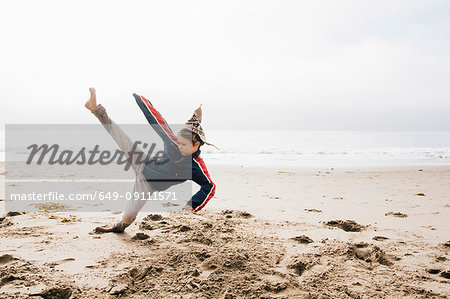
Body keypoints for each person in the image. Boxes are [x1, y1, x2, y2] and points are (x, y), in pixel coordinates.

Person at [84, 88, 216, 233]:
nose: (179, 146)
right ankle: (95, 109)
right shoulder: (172, 142)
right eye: (179, 142)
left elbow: (209, 186)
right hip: (144, 163)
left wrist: (191, 205)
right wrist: (141, 100)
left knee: (128, 216)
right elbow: (157, 121)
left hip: (148, 184)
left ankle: (116, 228)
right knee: (120, 136)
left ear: (196, 145)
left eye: (184, 145)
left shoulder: (195, 166)